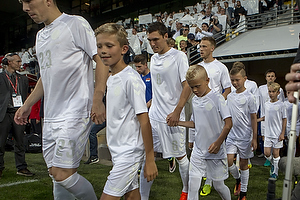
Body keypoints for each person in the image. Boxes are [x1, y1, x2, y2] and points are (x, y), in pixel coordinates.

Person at [15, 0, 109, 199]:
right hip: (51, 116)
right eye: (21, 2)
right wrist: (27, 105)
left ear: (48, 0)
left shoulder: (75, 23)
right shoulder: (41, 35)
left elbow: (100, 59)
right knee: (55, 176)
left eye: (29, 1)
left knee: (62, 174)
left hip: (74, 112)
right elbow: (45, 76)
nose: (25, 8)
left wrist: (98, 98)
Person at [95, 22, 158, 200]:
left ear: (123, 49)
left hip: (129, 152)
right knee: (131, 195)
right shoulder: (111, 78)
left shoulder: (131, 79)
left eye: (109, 46)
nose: (103, 51)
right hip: (118, 149)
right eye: (99, 46)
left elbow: (144, 120)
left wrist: (150, 159)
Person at [141, 22, 192, 200]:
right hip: (154, 115)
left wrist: (178, 111)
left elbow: (187, 86)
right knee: (147, 155)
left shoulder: (179, 57)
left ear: (165, 37)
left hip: (172, 116)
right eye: (149, 40)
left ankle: (186, 190)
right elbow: (158, 86)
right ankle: (143, 196)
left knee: (180, 157)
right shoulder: (153, 58)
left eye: (155, 39)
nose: (152, 43)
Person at [177, 64, 232, 200]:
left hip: (215, 151)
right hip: (198, 150)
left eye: (197, 86)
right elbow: (196, 123)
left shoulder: (217, 98)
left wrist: (218, 143)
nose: (194, 90)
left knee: (219, 186)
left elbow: (228, 123)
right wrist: (178, 122)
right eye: (192, 87)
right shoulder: (195, 100)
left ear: (207, 81)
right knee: (193, 184)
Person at [197, 36, 231, 196]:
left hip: (216, 111)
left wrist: (218, 104)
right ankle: (207, 180)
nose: (200, 49)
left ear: (212, 48)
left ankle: (214, 179)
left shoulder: (220, 67)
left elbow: (227, 88)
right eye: (199, 46)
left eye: (204, 46)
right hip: (202, 109)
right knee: (203, 143)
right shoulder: (197, 67)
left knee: (215, 143)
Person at [0, 52, 34, 178]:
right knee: (1, 142)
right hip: (4, 113)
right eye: (18, 61)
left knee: (20, 142)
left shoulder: (23, 79)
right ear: (9, 62)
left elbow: (25, 98)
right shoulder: (1, 77)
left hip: (18, 113)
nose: (20, 64)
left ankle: (21, 167)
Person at [227, 65, 257, 200]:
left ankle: (243, 193)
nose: (234, 83)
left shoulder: (250, 97)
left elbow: (253, 118)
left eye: (237, 80)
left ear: (245, 79)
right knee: (228, 162)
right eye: (232, 80)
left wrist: (254, 138)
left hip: (245, 136)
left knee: (244, 164)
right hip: (232, 136)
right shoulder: (229, 96)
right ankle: (237, 179)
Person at [257, 82, 287, 180]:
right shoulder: (266, 104)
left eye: (273, 92)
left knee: (276, 154)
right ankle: (273, 164)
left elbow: (284, 119)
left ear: (278, 92)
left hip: (277, 133)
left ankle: (275, 172)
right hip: (268, 133)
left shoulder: (282, 105)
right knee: (266, 153)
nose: (271, 93)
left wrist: (282, 133)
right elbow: (267, 117)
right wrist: (259, 120)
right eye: (269, 91)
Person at [258, 69, 285, 166]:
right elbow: (259, 102)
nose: (270, 78)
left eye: (272, 76)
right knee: (265, 145)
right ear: (265, 78)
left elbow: (281, 108)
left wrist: (282, 131)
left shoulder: (280, 91)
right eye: (268, 76)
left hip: (276, 121)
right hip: (266, 118)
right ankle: (272, 161)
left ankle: (275, 166)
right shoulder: (261, 89)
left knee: (276, 149)